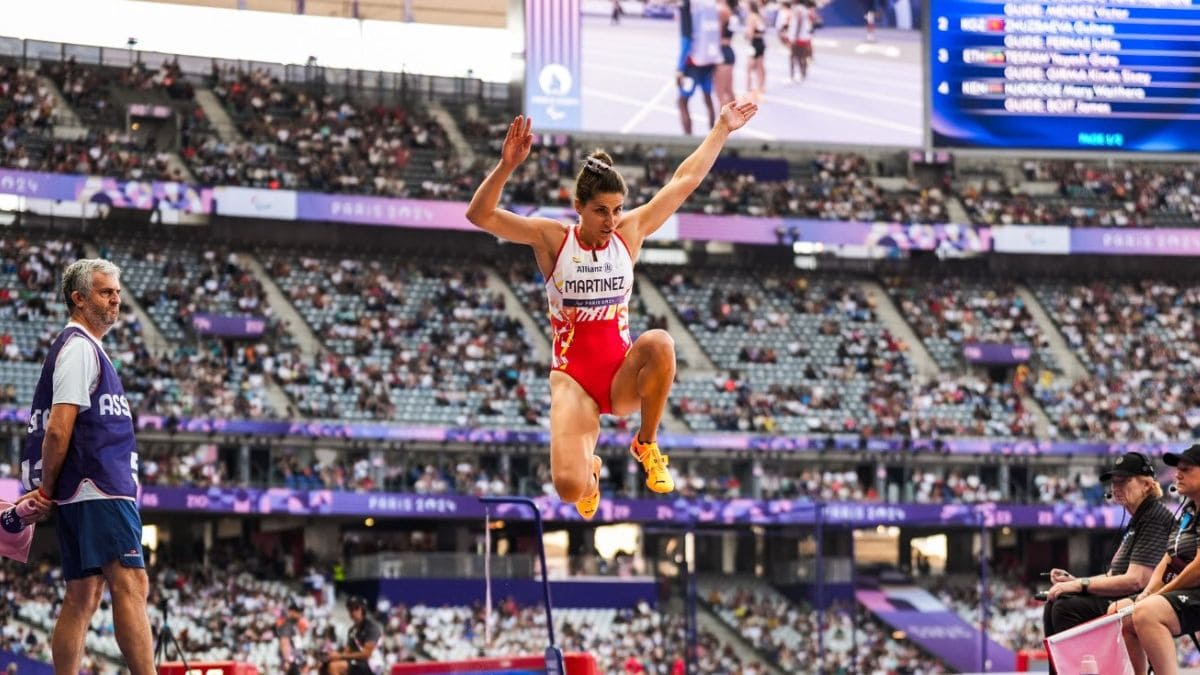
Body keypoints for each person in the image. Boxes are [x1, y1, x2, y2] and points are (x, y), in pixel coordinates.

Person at [466, 102, 758, 520]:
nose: (611, 219)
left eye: (617, 209)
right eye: (601, 210)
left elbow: (684, 181)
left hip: (619, 373)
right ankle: (592, 473)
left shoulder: (629, 233)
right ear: (579, 207)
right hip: (574, 381)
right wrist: (506, 166)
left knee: (660, 341)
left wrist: (722, 129)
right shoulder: (553, 239)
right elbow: (480, 215)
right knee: (569, 490)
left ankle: (647, 443)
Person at [19, 258, 156, 675]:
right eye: (104, 292)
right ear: (78, 298)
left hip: (83, 488)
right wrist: (46, 490)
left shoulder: (84, 348)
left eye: (116, 292)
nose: (115, 300)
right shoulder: (79, 348)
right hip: (97, 486)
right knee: (131, 585)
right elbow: (58, 431)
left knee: (82, 595)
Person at [1041, 451, 1173, 675]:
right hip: (1124, 595)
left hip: (1141, 599)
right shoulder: (1138, 520)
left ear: (1146, 484)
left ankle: (1085, 669)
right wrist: (1074, 581)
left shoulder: (1154, 518)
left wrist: (1079, 586)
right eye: (1114, 482)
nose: (1116, 487)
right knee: (1055, 602)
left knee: (1066, 607)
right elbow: (1114, 575)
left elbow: (1136, 580)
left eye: (1124, 481)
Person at [1111, 445, 1200, 675]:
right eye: (1177, 469)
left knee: (1147, 612)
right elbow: (1169, 557)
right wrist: (1147, 593)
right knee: (1121, 612)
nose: (1177, 474)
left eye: (1186, 469)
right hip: (1190, 593)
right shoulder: (1188, 510)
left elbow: (1199, 567)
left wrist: (1160, 594)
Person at [676, 0, 722, 135]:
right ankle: (714, 139)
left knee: (682, 101)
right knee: (708, 98)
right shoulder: (709, 4)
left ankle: (688, 140)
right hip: (709, 60)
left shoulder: (687, 4)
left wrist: (679, 68)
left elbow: (687, 39)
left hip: (692, 65)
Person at [321, 596, 380, 675]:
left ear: (363, 610)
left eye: (356, 608)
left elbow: (366, 654)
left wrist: (340, 656)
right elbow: (347, 651)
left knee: (334, 667)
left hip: (372, 664)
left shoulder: (371, 628)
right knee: (323, 667)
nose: (353, 612)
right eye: (350, 609)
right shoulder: (352, 630)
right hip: (359, 663)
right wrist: (333, 655)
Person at [715, 0, 739, 107]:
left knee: (721, 94)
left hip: (721, 52)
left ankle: (723, 122)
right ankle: (735, 119)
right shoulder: (731, 11)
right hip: (728, 51)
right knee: (728, 90)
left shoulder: (722, 11)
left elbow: (716, 35)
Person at [744, 1, 767, 97]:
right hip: (761, 43)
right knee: (760, 67)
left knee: (749, 68)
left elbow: (750, 33)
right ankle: (761, 87)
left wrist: (746, 36)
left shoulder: (751, 17)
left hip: (754, 44)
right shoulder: (759, 16)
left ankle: (748, 89)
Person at [278, 601, 307, 675]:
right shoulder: (287, 625)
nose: (300, 613)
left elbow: (297, 644)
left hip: (297, 660)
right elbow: (284, 643)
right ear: (291, 611)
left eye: (301, 611)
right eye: (298, 611)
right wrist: (287, 661)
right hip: (292, 662)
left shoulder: (295, 625)